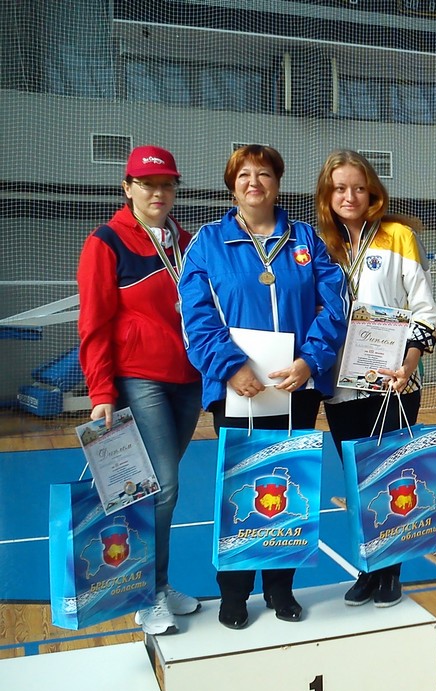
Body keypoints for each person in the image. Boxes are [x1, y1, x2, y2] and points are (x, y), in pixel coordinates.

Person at [179, 145, 348, 630]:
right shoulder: (209, 243)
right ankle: (235, 592)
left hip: (295, 386)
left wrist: (310, 361)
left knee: (291, 483)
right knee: (240, 484)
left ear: (278, 182)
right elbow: (195, 314)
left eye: (265, 174)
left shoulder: (306, 240)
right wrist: (229, 367)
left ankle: (280, 587)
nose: (254, 182)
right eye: (244, 175)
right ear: (232, 186)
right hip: (239, 388)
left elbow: (334, 304)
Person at [77, 145, 202, 636]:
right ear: (127, 188)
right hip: (140, 378)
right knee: (162, 486)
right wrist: (101, 391)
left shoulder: (185, 241)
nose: (158, 193)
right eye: (148, 184)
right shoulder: (106, 242)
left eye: (167, 185)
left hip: (188, 379)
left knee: (157, 490)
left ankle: (158, 583)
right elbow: (94, 324)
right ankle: (148, 596)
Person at [315, 149, 436, 608]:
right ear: (327, 194)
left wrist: (408, 365)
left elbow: (425, 311)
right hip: (341, 386)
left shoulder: (399, 237)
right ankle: (368, 569)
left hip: (393, 381)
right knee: (356, 484)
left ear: (372, 192)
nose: (349, 196)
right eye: (339, 188)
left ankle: (391, 572)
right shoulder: (317, 244)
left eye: (358, 187)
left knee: (392, 478)